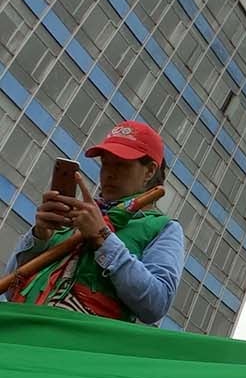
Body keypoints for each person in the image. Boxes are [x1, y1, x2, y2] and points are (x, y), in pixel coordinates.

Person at [3, 121, 184, 324]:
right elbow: (10, 291)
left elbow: (156, 304)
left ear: (150, 171)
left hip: (81, 339)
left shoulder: (164, 228)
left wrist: (103, 239)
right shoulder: (74, 217)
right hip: (24, 331)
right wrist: (39, 237)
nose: (109, 173)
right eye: (106, 163)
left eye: (121, 165)